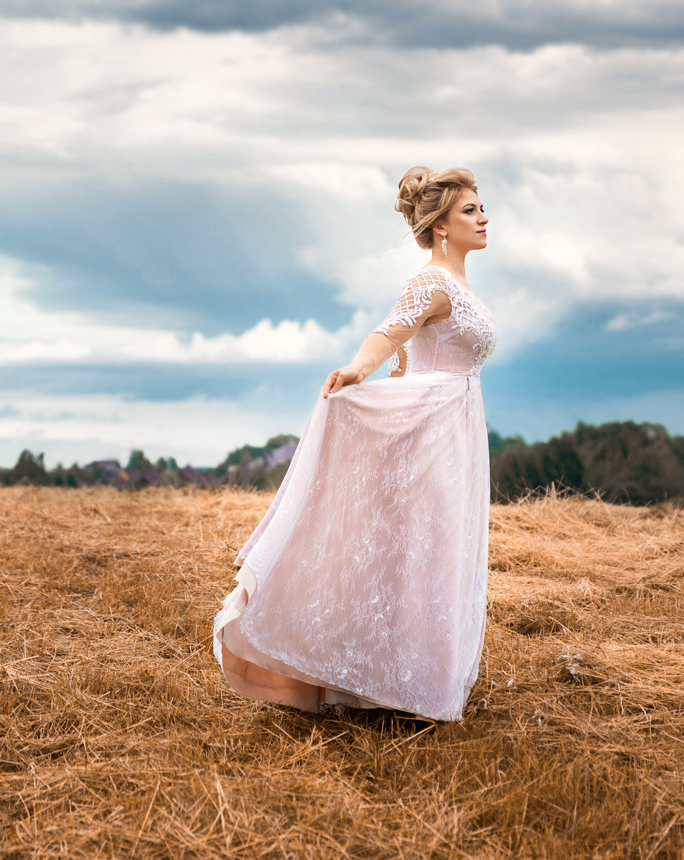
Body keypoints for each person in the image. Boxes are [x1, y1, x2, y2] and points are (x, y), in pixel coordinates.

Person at [212, 166, 497, 721]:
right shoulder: (431, 283)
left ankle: (415, 681)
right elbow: (389, 334)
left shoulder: (461, 286)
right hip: (431, 429)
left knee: (439, 550)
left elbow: (418, 353)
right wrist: (359, 368)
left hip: (457, 426)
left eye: (482, 208)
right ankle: (388, 682)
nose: (483, 217)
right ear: (441, 227)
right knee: (417, 547)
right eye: (470, 210)